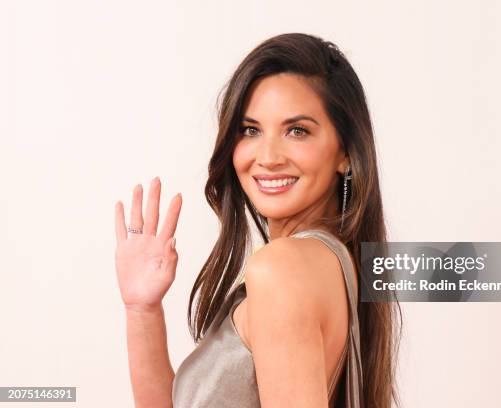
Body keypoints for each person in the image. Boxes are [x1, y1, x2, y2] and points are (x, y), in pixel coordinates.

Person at [114, 32, 401, 408]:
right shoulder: (330, 263)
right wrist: (143, 310)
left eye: (296, 130)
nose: (267, 156)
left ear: (345, 152)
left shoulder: (281, 269)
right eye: (250, 130)